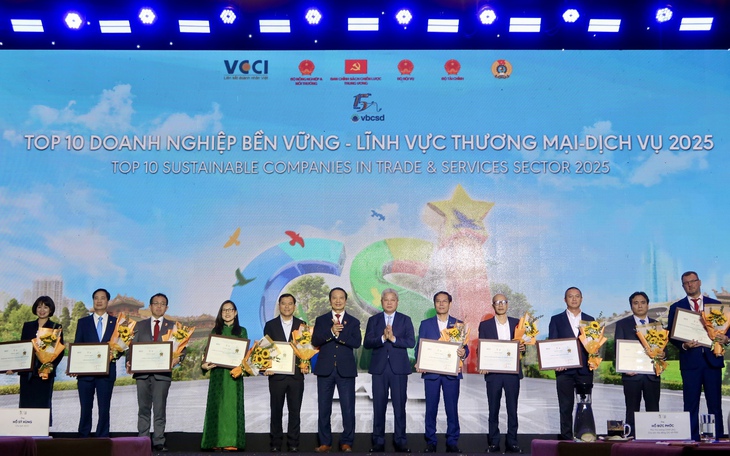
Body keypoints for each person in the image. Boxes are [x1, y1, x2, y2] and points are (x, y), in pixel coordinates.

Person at [666, 271, 726, 441]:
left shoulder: (715, 305)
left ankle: (717, 438)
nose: (690, 285)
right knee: (690, 404)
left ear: (699, 282)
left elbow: (727, 329)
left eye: (692, 281)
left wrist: (726, 339)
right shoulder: (676, 307)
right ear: (683, 286)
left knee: (715, 404)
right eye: (686, 283)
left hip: (712, 361)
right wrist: (684, 345)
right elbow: (671, 335)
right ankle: (691, 438)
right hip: (690, 363)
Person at [127, 293, 182, 452]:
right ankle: (142, 440)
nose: (159, 306)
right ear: (150, 306)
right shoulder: (139, 325)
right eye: (156, 303)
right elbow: (131, 346)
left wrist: (178, 358)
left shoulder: (174, 327)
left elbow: (181, 348)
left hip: (162, 375)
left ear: (167, 307)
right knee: (143, 409)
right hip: (142, 374)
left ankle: (159, 441)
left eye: (162, 303)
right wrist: (129, 362)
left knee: (159, 409)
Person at [363, 289, 415, 453]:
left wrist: (393, 339)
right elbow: (367, 343)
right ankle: (378, 441)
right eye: (386, 299)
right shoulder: (373, 320)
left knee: (399, 407)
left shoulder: (405, 320)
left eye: (393, 299)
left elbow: (411, 342)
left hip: (398, 370)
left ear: (397, 302)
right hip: (379, 369)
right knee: (379, 407)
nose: (389, 302)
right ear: (382, 302)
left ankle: (400, 441)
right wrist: (382, 338)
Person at [416, 291, 468, 453]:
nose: (441, 304)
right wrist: (420, 361)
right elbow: (420, 346)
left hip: (451, 374)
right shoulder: (426, 324)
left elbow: (465, 348)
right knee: (430, 409)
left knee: (452, 409)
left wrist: (463, 353)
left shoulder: (458, 325)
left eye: (444, 301)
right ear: (434, 304)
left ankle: (452, 441)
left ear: (450, 304)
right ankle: (431, 441)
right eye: (438, 301)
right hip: (431, 373)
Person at [312, 287, 362, 453]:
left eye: (341, 298)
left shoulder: (353, 321)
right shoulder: (321, 320)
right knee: (324, 408)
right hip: (325, 370)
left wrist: (339, 335)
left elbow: (356, 342)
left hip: (345, 370)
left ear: (346, 300)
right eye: (335, 298)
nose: (338, 301)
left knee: (348, 408)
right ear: (330, 300)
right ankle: (325, 442)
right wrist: (331, 332)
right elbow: (315, 340)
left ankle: (346, 442)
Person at [6, 296, 65, 426]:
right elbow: (22, 349)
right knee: (26, 403)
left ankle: (42, 431)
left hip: (45, 374)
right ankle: (25, 429)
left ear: (50, 309)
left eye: (45, 307)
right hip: (27, 373)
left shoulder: (55, 327)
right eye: (39, 307)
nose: (42, 310)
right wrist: (13, 367)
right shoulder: (28, 326)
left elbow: (59, 352)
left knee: (43, 403)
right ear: (35, 309)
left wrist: (49, 366)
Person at [478, 294, 524, 454]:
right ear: (493, 306)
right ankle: (494, 442)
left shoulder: (517, 323)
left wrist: (523, 348)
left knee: (512, 409)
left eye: (503, 302)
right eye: (497, 302)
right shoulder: (485, 325)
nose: (500, 305)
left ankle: (512, 442)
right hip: (493, 374)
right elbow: (482, 347)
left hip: (512, 373)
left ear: (507, 304)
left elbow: (522, 346)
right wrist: (483, 364)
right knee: (493, 409)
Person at [548, 287, 594, 441]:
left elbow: (594, 345)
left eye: (577, 296)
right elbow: (553, 343)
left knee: (585, 406)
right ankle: (566, 440)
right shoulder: (556, 320)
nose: (574, 299)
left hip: (585, 371)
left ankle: (584, 436)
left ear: (581, 298)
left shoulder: (590, 320)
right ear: (565, 299)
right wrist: (556, 362)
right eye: (570, 296)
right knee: (565, 407)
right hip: (564, 371)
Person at [263, 293, 307, 452]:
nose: (287, 306)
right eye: (283, 303)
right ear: (279, 306)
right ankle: (275, 443)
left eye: (290, 303)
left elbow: (305, 349)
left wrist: (305, 364)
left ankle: (293, 443)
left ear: (294, 306)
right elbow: (265, 349)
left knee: (295, 412)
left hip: (296, 376)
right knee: (276, 411)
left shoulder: (302, 325)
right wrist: (266, 366)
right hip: (276, 376)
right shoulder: (270, 325)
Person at [201, 300, 247, 451]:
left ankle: (231, 441)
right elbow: (207, 355)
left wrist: (242, 367)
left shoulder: (242, 331)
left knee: (231, 406)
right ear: (221, 313)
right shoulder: (215, 331)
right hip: (218, 374)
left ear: (235, 312)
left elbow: (245, 356)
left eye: (230, 309)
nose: (227, 313)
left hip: (234, 375)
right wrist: (204, 365)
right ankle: (214, 441)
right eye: (224, 310)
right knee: (217, 406)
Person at [614, 291, 661, 437]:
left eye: (642, 302)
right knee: (632, 410)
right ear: (631, 306)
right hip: (631, 375)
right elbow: (618, 349)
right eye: (636, 303)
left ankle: (653, 438)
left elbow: (662, 347)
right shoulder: (622, 324)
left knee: (653, 409)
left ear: (647, 305)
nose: (640, 306)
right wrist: (624, 367)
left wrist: (662, 355)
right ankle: (631, 438)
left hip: (652, 375)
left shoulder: (657, 324)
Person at [75, 288, 118, 438]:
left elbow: (121, 347)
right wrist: (75, 366)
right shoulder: (83, 322)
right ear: (93, 301)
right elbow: (78, 346)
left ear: (108, 301)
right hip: (85, 374)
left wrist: (114, 354)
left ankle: (103, 437)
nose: (99, 301)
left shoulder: (116, 323)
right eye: (96, 298)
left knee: (104, 408)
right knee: (85, 407)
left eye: (102, 298)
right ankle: (83, 436)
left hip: (106, 373)